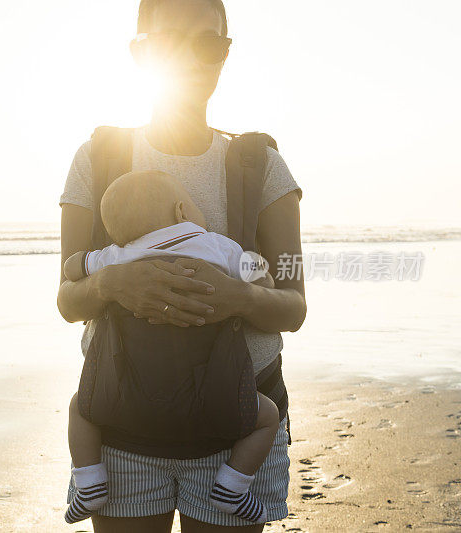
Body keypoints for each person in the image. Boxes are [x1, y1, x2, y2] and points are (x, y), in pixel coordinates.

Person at [57, 0, 306, 531]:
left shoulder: (259, 165)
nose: (191, 58)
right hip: (123, 429)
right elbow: (67, 297)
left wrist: (238, 298)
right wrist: (114, 283)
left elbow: (294, 303)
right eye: (170, 41)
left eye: (208, 43)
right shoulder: (100, 158)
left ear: (225, 53)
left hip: (236, 424)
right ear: (140, 53)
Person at [62, 169, 281, 525]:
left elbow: (73, 269)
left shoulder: (116, 256)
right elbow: (261, 277)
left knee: (80, 408)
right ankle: (233, 485)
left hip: (128, 401)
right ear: (182, 211)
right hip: (215, 394)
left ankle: (90, 484)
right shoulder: (218, 245)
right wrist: (261, 269)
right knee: (267, 416)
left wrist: (88, 260)